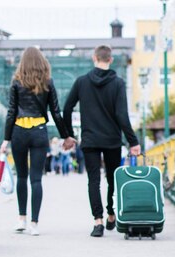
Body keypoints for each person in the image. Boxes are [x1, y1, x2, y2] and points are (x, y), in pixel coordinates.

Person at [63, 44, 140, 237]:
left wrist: (70, 134)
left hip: (89, 139)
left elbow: (67, 108)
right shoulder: (118, 84)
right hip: (112, 140)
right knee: (113, 179)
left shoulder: (81, 82)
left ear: (94, 58)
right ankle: (111, 214)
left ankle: (97, 222)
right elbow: (122, 115)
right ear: (111, 59)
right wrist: (133, 141)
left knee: (93, 180)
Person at [0, 47, 72, 236]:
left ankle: (21, 219)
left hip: (19, 132)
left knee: (21, 176)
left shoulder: (17, 81)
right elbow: (56, 112)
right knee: (36, 179)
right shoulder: (48, 81)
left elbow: (11, 112)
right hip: (39, 132)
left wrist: (6, 139)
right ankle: (34, 223)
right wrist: (66, 136)